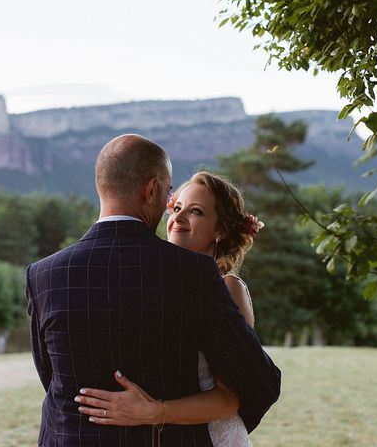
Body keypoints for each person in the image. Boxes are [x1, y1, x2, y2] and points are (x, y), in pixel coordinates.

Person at [25, 135, 281, 446]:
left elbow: (51, 378)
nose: (171, 212)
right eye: (170, 195)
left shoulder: (43, 275)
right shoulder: (194, 273)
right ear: (151, 190)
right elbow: (257, 379)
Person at [75, 171, 264, 446]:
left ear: (220, 229)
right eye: (176, 208)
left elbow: (232, 396)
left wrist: (154, 412)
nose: (178, 218)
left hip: (210, 435)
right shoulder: (157, 282)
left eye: (196, 211)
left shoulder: (228, 287)